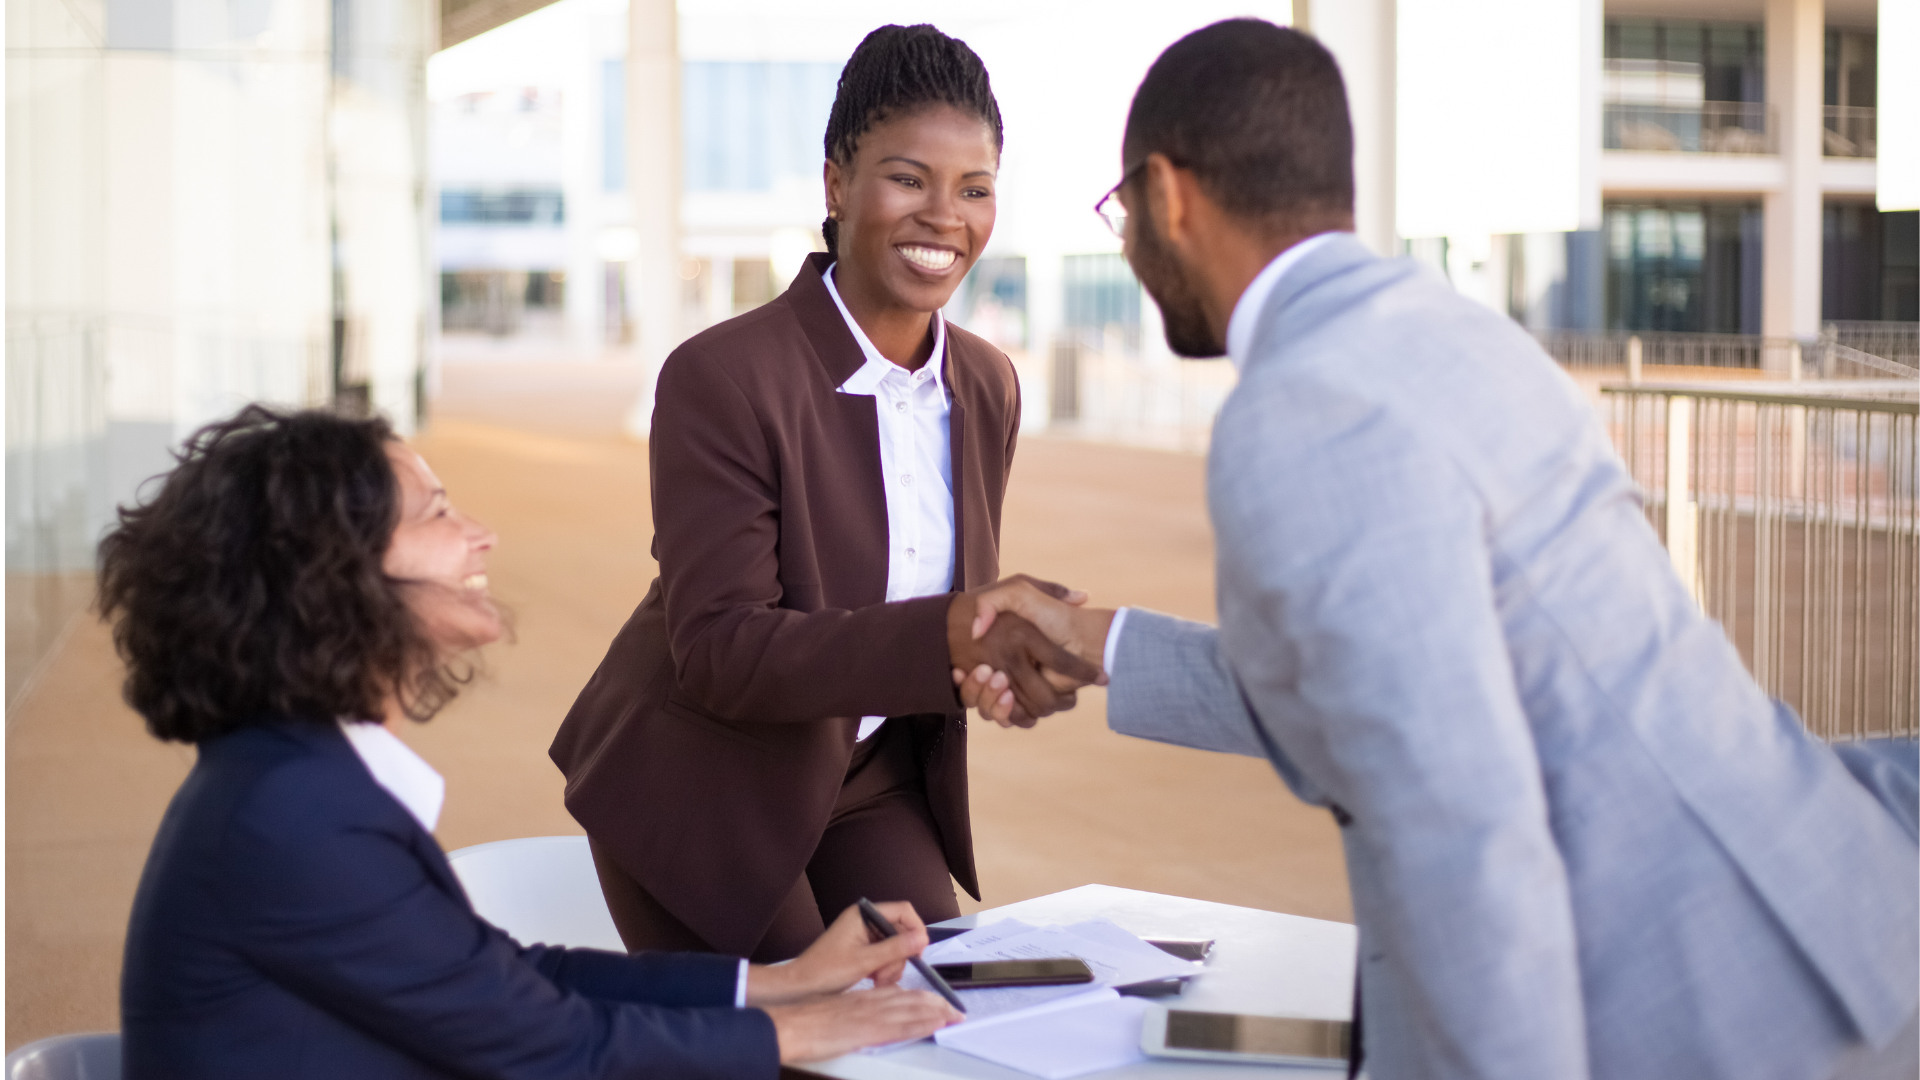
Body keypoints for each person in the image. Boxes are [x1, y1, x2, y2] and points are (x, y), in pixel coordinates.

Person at [955, 19, 1919, 1080]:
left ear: (1169, 196)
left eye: (1122, 212)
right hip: (1811, 913)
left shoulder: (1303, 407)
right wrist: (1101, 644)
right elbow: (1388, 681)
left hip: (1701, 1007)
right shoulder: (1445, 332)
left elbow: (1460, 828)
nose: (1128, 245)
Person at [108, 406, 962, 1079]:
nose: (481, 534)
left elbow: (507, 980)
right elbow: (550, 1046)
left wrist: (776, 982)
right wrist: (793, 1031)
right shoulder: (300, 819)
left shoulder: (295, 776)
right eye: (439, 512)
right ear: (330, 573)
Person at [549, 23, 1098, 966]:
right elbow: (721, 650)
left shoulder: (987, 385)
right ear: (836, 185)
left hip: (866, 775)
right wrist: (956, 634)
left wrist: (991, 662)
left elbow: (919, 612)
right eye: (907, 178)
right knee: (805, 1051)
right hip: (702, 774)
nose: (944, 216)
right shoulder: (721, 376)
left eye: (975, 189)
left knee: (937, 1015)